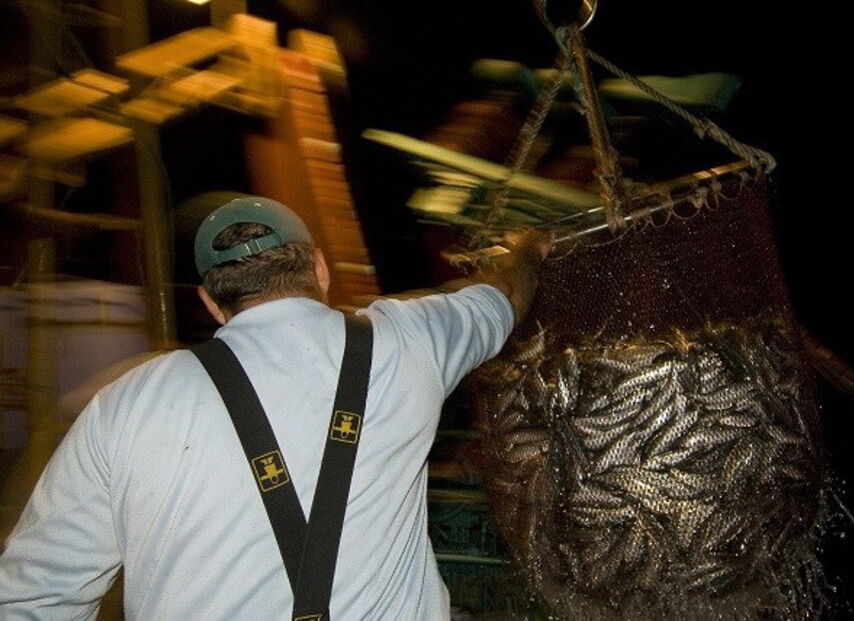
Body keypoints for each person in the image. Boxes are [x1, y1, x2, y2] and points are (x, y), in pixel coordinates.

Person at [0, 196, 551, 619]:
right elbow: (502, 300)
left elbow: (35, 594)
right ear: (319, 269)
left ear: (212, 304)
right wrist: (528, 249)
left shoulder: (124, 403)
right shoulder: (412, 341)